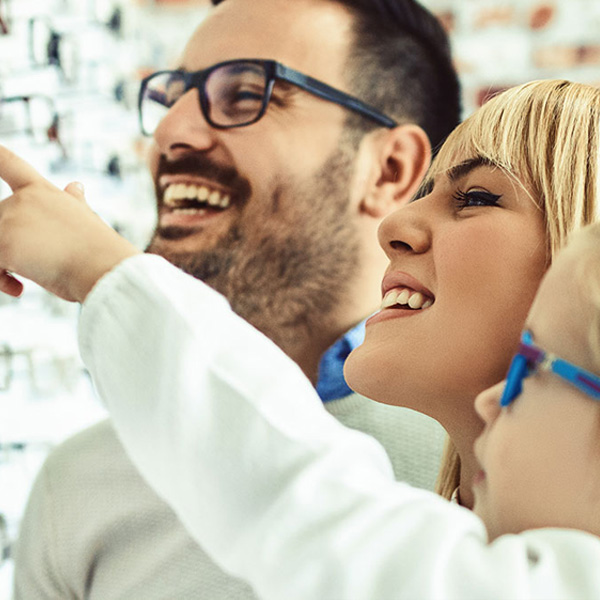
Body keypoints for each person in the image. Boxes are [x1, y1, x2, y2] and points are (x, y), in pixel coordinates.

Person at [1, 126, 600, 598]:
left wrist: (102, 270)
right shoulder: (80, 484)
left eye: (474, 197)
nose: (395, 224)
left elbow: (298, 498)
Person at [11, 0, 461, 598]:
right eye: (173, 97)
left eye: (247, 94)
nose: (171, 131)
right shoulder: (78, 485)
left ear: (388, 170)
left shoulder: (495, 459)